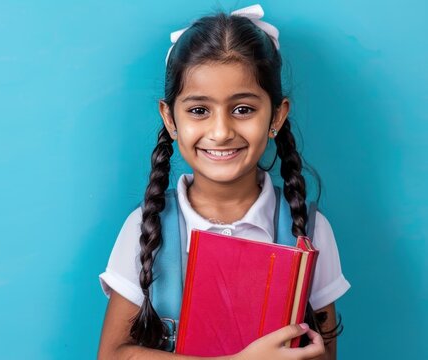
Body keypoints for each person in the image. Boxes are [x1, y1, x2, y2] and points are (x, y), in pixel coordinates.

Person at [97, 4, 351, 360]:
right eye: (199, 110)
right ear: (170, 118)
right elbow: (112, 355)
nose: (221, 132)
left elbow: (325, 356)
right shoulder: (144, 227)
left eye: (243, 109)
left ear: (276, 115)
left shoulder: (309, 229)